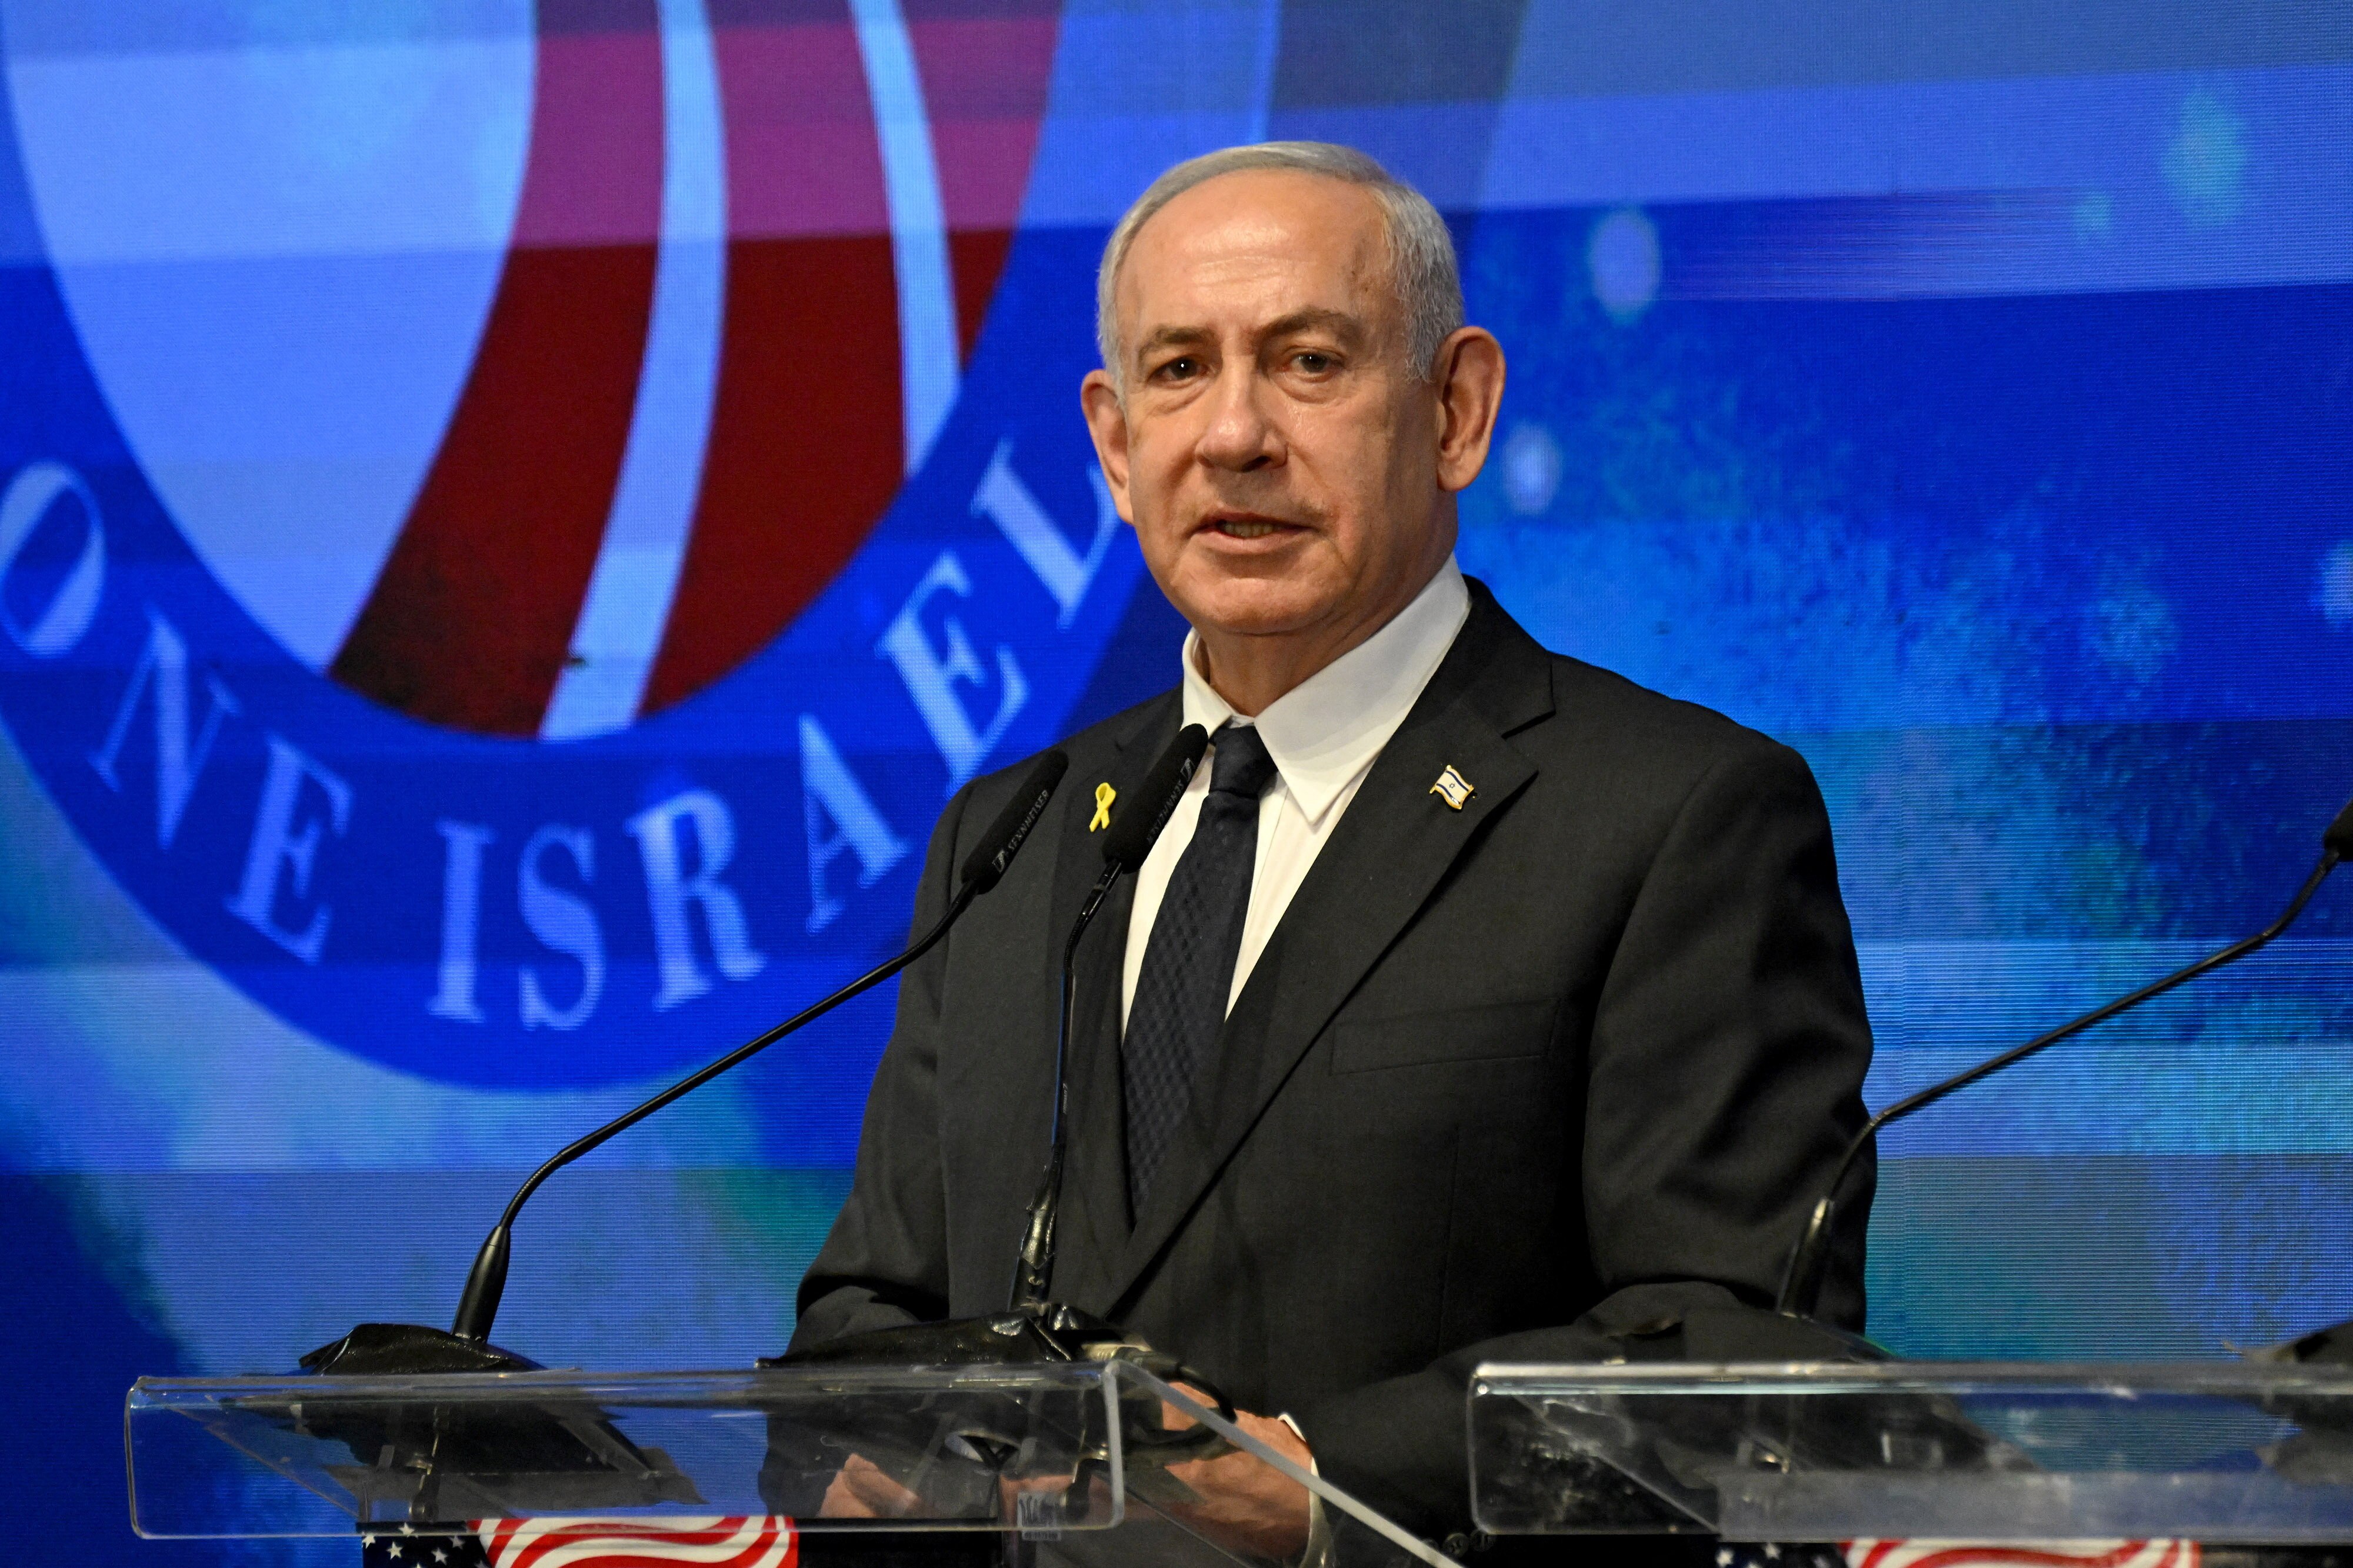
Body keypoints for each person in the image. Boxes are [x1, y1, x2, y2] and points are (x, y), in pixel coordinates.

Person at [789, 142, 1875, 1554]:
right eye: (1179, 370)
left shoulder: (1671, 816)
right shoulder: (1014, 835)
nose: (1233, 434)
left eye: (1306, 362)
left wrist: (1321, 1481)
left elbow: (1736, 1352)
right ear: (1114, 445)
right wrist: (872, 1446)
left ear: (1454, 411)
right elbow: (868, 1309)